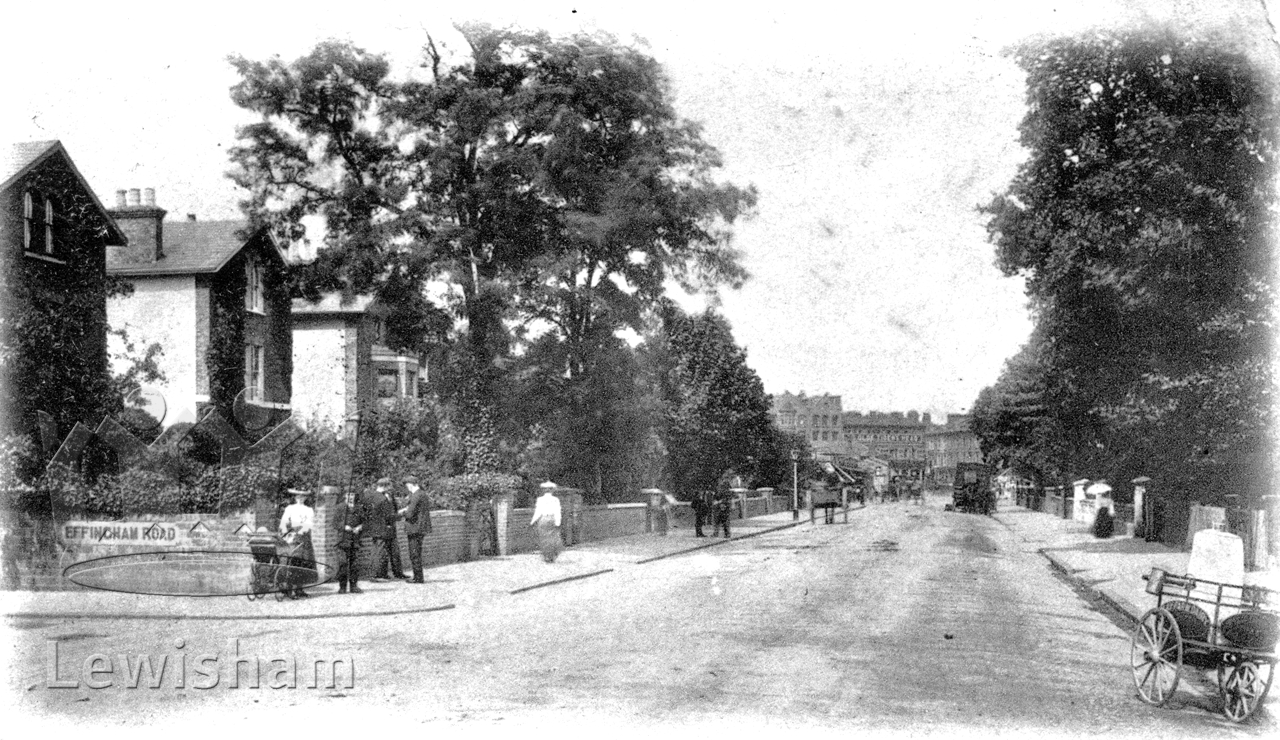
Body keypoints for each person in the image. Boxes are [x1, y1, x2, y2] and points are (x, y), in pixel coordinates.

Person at [361, 478, 403, 581]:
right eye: (389, 486)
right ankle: (377, 575)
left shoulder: (369, 496)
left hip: (374, 527)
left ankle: (380, 574)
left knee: (377, 551)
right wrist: (400, 515)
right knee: (380, 552)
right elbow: (388, 516)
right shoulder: (382, 499)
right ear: (385, 486)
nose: (389, 489)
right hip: (383, 528)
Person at [278, 489, 316, 599]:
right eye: (298, 496)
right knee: (292, 561)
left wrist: (300, 532)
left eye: (303, 496)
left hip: (304, 537)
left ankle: (300, 589)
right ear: (295, 497)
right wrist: (285, 531)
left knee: (303, 563)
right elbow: (284, 521)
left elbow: (309, 523)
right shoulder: (290, 508)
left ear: (305, 498)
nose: (300, 498)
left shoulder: (309, 510)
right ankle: (289, 589)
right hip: (292, 536)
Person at [398, 475, 431, 584]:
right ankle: (418, 576)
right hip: (420, 527)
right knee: (416, 552)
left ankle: (418, 578)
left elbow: (410, 514)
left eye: (407, 485)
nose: (407, 488)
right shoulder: (422, 494)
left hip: (414, 528)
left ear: (410, 484)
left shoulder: (416, 495)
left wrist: (403, 512)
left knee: (414, 553)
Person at [331, 487, 364, 594]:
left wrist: (360, 527)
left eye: (353, 495)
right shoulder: (339, 507)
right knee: (343, 564)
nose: (351, 497)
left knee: (354, 564)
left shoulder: (359, 508)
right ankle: (342, 587)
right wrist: (344, 527)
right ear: (345, 495)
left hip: (355, 540)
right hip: (342, 540)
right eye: (349, 494)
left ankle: (354, 586)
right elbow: (334, 523)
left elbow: (364, 522)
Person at [530, 481, 563, 563]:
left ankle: (546, 556)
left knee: (544, 538)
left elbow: (538, 512)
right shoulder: (555, 500)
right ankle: (551, 555)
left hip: (543, 520)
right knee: (553, 538)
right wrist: (558, 522)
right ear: (552, 490)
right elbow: (557, 511)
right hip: (552, 519)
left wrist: (532, 521)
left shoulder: (540, 499)